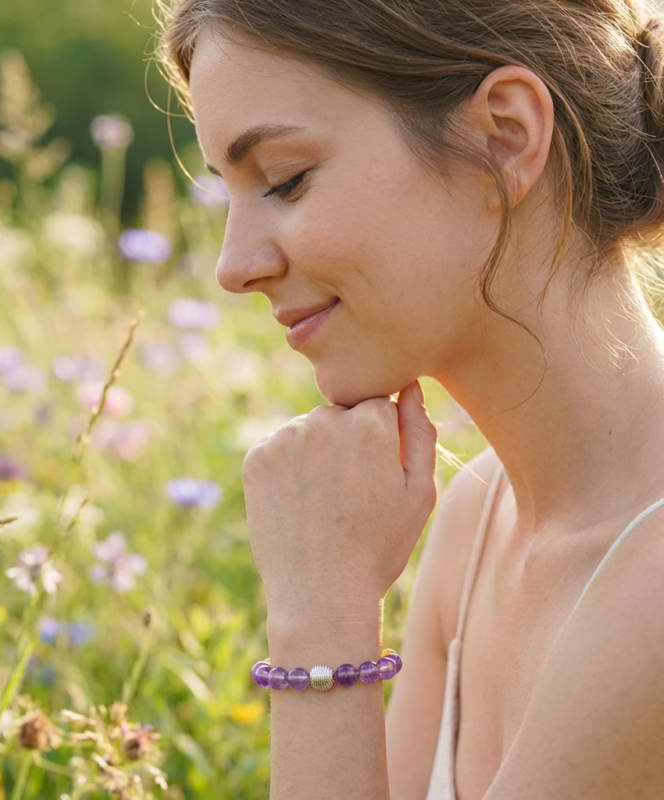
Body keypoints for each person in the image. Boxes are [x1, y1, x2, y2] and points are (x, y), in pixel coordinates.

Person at [158, 1, 664, 797]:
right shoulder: (475, 522)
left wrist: (319, 618)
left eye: (286, 180)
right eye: (229, 191)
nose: (234, 265)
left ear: (505, 137)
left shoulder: (653, 600)